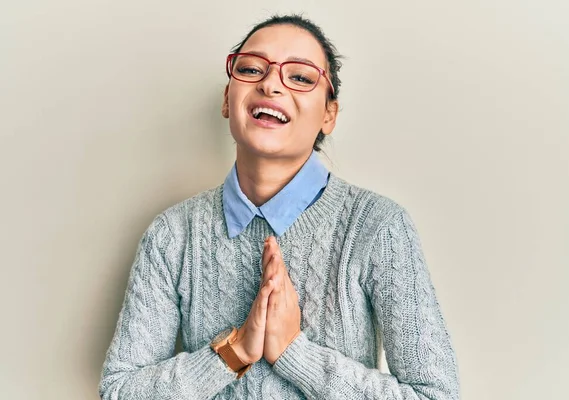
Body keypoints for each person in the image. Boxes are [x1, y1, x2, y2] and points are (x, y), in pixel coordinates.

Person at [98, 14, 460, 400]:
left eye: (301, 77)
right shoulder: (173, 235)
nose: (270, 84)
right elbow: (118, 391)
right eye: (252, 69)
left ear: (328, 115)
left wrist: (293, 352)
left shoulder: (378, 227)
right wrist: (233, 354)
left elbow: (436, 394)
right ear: (227, 100)